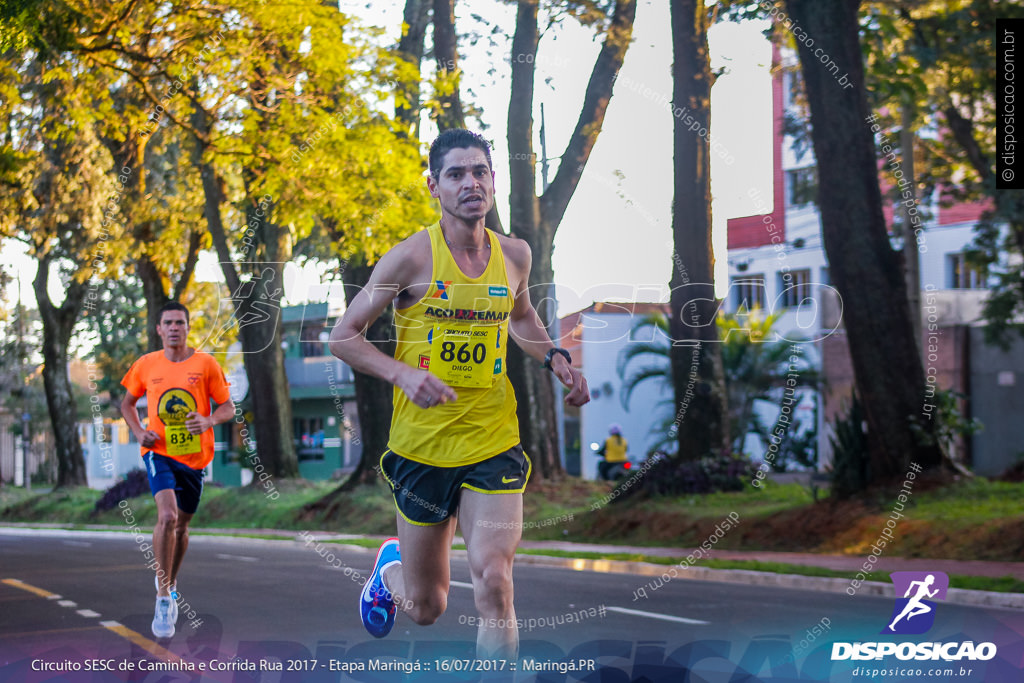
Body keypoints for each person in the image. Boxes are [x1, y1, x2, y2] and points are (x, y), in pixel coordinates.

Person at [329, 129, 590, 659]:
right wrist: (401, 374)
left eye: (480, 172)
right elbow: (343, 336)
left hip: (492, 440)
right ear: (434, 186)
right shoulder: (409, 259)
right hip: (422, 447)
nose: (470, 182)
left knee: (495, 582)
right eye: (456, 174)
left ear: (493, 181)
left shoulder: (515, 254)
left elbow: (519, 316)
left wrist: (554, 355)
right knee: (427, 607)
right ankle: (391, 572)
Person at [120, 302, 234, 639]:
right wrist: (140, 433)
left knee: (182, 527)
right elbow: (126, 404)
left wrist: (209, 419)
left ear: (187, 327)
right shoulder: (146, 365)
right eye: (167, 322)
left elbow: (228, 406)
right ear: (159, 329)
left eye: (179, 323)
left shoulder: (206, 364)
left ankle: (168, 579)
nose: (173, 328)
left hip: (194, 457)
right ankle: (164, 596)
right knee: (167, 517)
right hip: (158, 452)